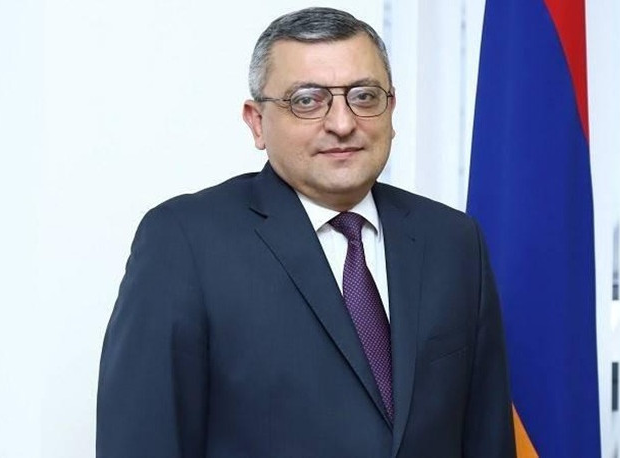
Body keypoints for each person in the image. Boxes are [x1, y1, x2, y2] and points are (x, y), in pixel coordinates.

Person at [96, 7, 515, 457]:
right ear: (256, 121)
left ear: (392, 109)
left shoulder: (454, 241)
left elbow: (486, 439)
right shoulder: (185, 242)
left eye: (364, 96)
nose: (342, 123)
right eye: (307, 100)